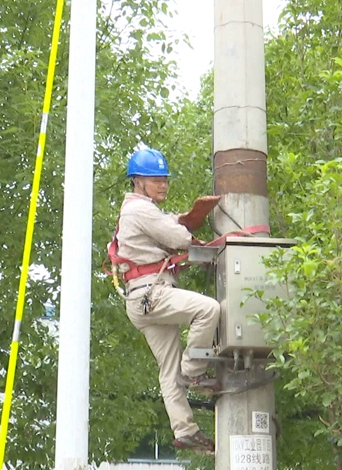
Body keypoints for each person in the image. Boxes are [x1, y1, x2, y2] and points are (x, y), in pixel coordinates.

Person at [115, 147, 220, 453]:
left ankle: (185, 430)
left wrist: (182, 219)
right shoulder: (139, 209)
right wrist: (193, 236)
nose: (163, 185)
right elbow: (177, 238)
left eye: (164, 179)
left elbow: (166, 224)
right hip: (153, 293)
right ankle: (193, 371)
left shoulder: (140, 210)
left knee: (168, 370)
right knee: (208, 309)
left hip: (142, 299)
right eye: (155, 180)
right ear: (138, 181)